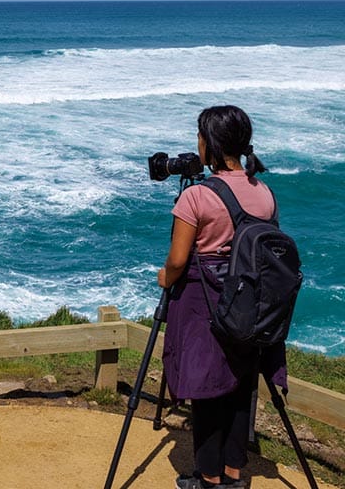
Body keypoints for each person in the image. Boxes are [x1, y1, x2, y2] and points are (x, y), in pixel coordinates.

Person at [157, 105, 287, 489]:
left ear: (209, 143)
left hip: (204, 302)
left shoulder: (196, 197)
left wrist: (165, 277)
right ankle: (233, 473)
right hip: (250, 304)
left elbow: (179, 260)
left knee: (206, 388)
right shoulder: (264, 193)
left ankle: (208, 478)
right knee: (239, 383)